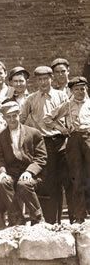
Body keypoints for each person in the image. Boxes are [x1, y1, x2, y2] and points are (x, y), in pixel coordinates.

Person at [20, 66, 70, 224]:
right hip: (42, 143)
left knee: (62, 180)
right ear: (36, 81)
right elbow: (21, 120)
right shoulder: (31, 99)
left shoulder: (61, 96)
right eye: (39, 79)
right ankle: (48, 221)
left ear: (51, 79)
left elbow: (69, 116)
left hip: (60, 142)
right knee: (46, 182)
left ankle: (59, 220)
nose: (43, 82)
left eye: (46, 79)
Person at [44, 76, 90, 223]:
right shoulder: (67, 105)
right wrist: (62, 129)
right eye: (76, 89)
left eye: (82, 89)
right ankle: (79, 215)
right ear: (71, 91)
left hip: (89, 138)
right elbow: (47, 119)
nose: (80, 92)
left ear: (86, 89)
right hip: (74, 141)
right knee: (77, 177)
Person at [0, 101, 47, 226]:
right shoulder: (0, 135)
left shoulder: (34, 133)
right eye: (8, 116)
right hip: (12, 173)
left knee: (23, 184)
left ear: (19, 114)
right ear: (4, 118)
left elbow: (41, 157)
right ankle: (17, 218)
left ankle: (38, 218)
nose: (12, 119)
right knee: (2, 182)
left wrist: (29, 171)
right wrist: (2, 172)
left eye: (14, 115)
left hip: (32, 174)